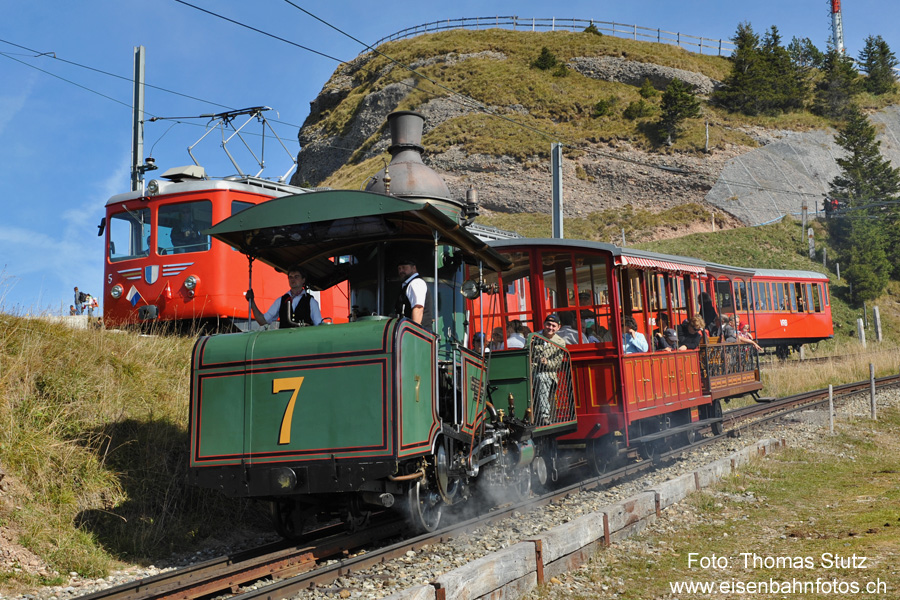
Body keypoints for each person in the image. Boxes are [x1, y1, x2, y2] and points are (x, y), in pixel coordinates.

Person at [248, 265, 322, 328]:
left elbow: (319, 325)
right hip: (284, 343)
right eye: (290, 277)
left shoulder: (311, 302)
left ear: (303, 280)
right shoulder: (281, 300)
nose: (293, 280)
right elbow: (262, 321)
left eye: (296, 277)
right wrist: (252, 302)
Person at [532, 314, 567, 426]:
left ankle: (544, 415)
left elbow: (557, 364)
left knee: (541, 378)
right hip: (531, 371)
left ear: (558, 328)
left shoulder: (560, 342)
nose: (550, 328)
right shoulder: (533, 336)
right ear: (544, 324)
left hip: (549, 374)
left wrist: (547, 363)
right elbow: (525, 353)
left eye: (553, 326)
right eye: (548, 324)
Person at [394, 258, 432, 328]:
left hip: (420, 335)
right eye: (399, 269)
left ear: (414, 268)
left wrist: (414, 333)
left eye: (404, 268)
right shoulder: (407, 285)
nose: (401, 271)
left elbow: (418, 308)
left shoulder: (416, 283)